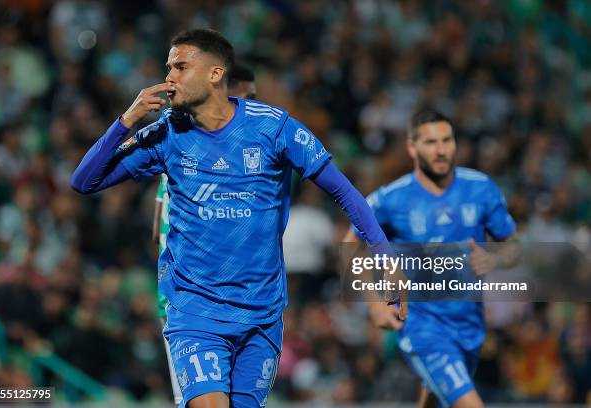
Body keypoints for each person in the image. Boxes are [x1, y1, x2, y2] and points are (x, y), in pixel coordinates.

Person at [71, 28, 396, 408]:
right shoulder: (167, 134)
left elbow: (345, 193)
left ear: (214, 73)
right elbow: (84, 180)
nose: (169, 78)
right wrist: (127, 120)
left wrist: (387, 260)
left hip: (261, 314)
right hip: (195, 310)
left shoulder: (273, 128)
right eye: (168, 68)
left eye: (179, 67)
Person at [345, 110, 517, 408]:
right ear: (412, 147)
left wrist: (495, 259)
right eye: (430, 142)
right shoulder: (391, 199)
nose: (441, 150)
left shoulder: (481, 189)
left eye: (447, 140)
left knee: (436, 400)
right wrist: (374, 304)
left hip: (469, 326)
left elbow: (513, 245)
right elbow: (351, 245)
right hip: (421, 325)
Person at [150, 65, 258, 406]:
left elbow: (157, 230)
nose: (254, 106)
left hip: (186, 291)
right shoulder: (223, 157)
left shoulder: (182, 150)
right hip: (199, 297)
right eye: (249, 98)